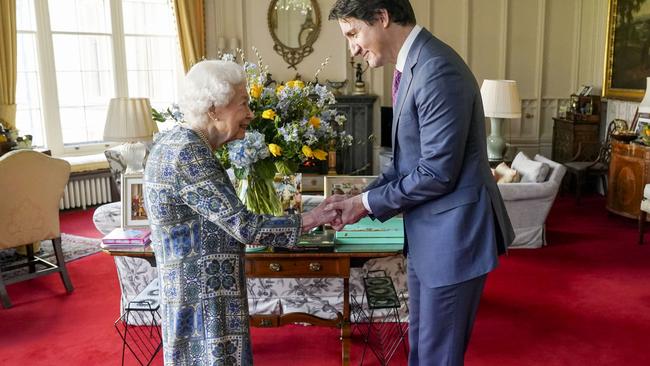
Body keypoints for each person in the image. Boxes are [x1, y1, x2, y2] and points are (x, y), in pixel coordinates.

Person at [327, 1, 515, 365]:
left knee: (437, 358)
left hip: (454, 238)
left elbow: (436, 173)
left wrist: (363, 206)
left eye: (353, 34)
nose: (353, 48)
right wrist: (359, 197)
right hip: (430, 236)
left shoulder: (437, 69)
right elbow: (406, 163)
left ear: (381, 17)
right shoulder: (413, 65)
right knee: (422, 351)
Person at [143, 60, 337, 366]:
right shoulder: (189, 153)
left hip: (194, 292)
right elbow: (244, 225)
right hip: (204, 300)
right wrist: (312, 219)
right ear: (213, 109)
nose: (250, 114)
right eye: (243, 104)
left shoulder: (175, 142)